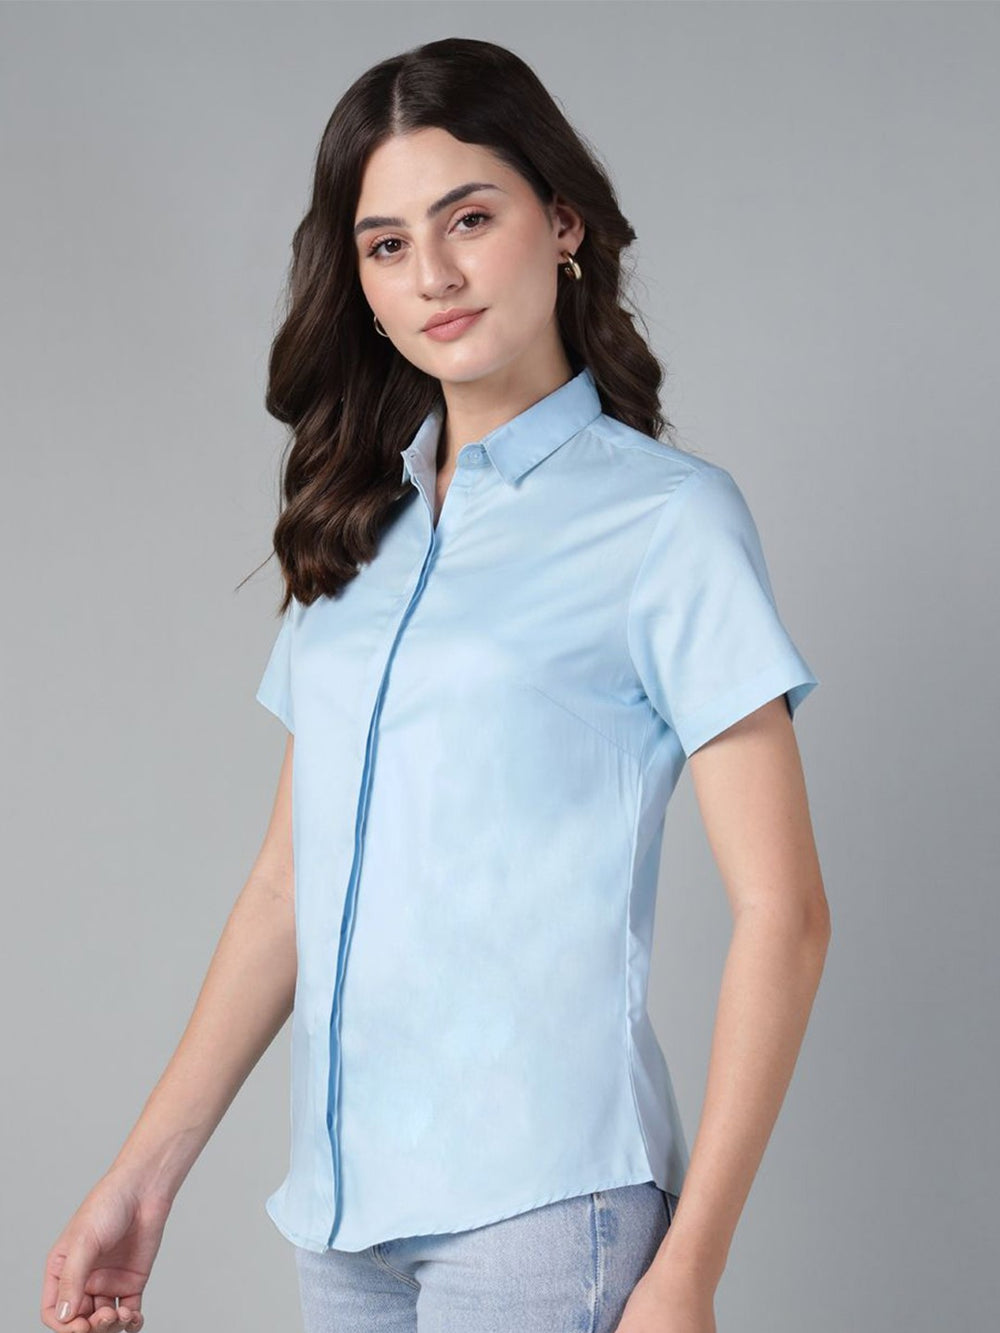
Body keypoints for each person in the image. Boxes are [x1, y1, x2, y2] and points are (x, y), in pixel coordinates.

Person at [40, 35, 830, 1333]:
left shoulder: (667, 523)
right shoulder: (355, 532)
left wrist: (690, 1268)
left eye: (470, 218)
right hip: (345, 1222)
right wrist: (144, 1177)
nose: (434, 275)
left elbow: (785, 913)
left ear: (561, 222)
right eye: (388, 243)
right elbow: (287, 886)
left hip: (544, 1209)